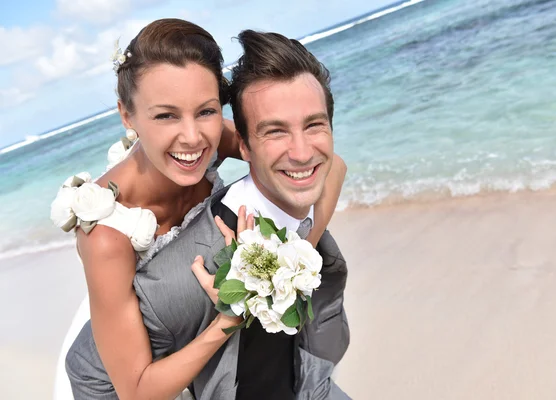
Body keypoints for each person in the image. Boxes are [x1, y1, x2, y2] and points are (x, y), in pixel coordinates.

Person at [52, 19, 346, 399]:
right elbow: (136, 390)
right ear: (127, 115)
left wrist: (286, 256)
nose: (191, 137)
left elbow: (328, 167)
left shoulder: (210, 138)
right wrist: (232, 315)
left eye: (206, 111)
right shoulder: (106, 235)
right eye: (165, 115)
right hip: (117, 383)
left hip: (180, 316)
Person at [149, 29, 352, 399]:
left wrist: (298, 251)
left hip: (311, 386)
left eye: (314, 124)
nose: (303, 152)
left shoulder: (303, 193)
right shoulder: (189, 270)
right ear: (243, 145)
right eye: (275, 131)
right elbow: (90, 375)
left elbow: (335, 166)